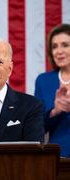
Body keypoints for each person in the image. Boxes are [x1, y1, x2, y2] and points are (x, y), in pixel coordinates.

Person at [35, 24, 70, 157]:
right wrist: (55, 111)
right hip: (58, 156)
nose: (58, 51)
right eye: (54, 46)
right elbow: (37, 126)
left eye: (65, 45)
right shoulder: (43, 81)